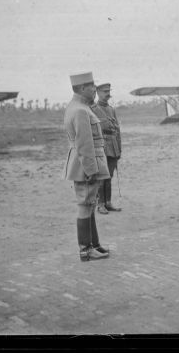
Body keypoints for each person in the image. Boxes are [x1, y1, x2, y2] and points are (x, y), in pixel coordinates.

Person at [63, 72, 111, 261]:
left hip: (83, 164)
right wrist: (91, 170)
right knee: (85, 205)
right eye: (91, 86)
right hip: (86, 165)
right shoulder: (81, 111)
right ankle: (85, 249)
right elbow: (84, 144)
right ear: (82, 88)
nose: (94, 90)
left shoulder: (77, 107)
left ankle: (93, 244)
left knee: (89, 204)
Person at [91, 83, 122, 214]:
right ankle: (100, 204)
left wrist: (119, 149)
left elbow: (117, 130)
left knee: (109, 176)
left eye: (108, 91)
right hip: (102, 147)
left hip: (113, 146)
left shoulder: (111, 109)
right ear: (98, 92)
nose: (107, 94)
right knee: (101, 177)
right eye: (104, 91)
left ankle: (108, 202)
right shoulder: (93, 109)